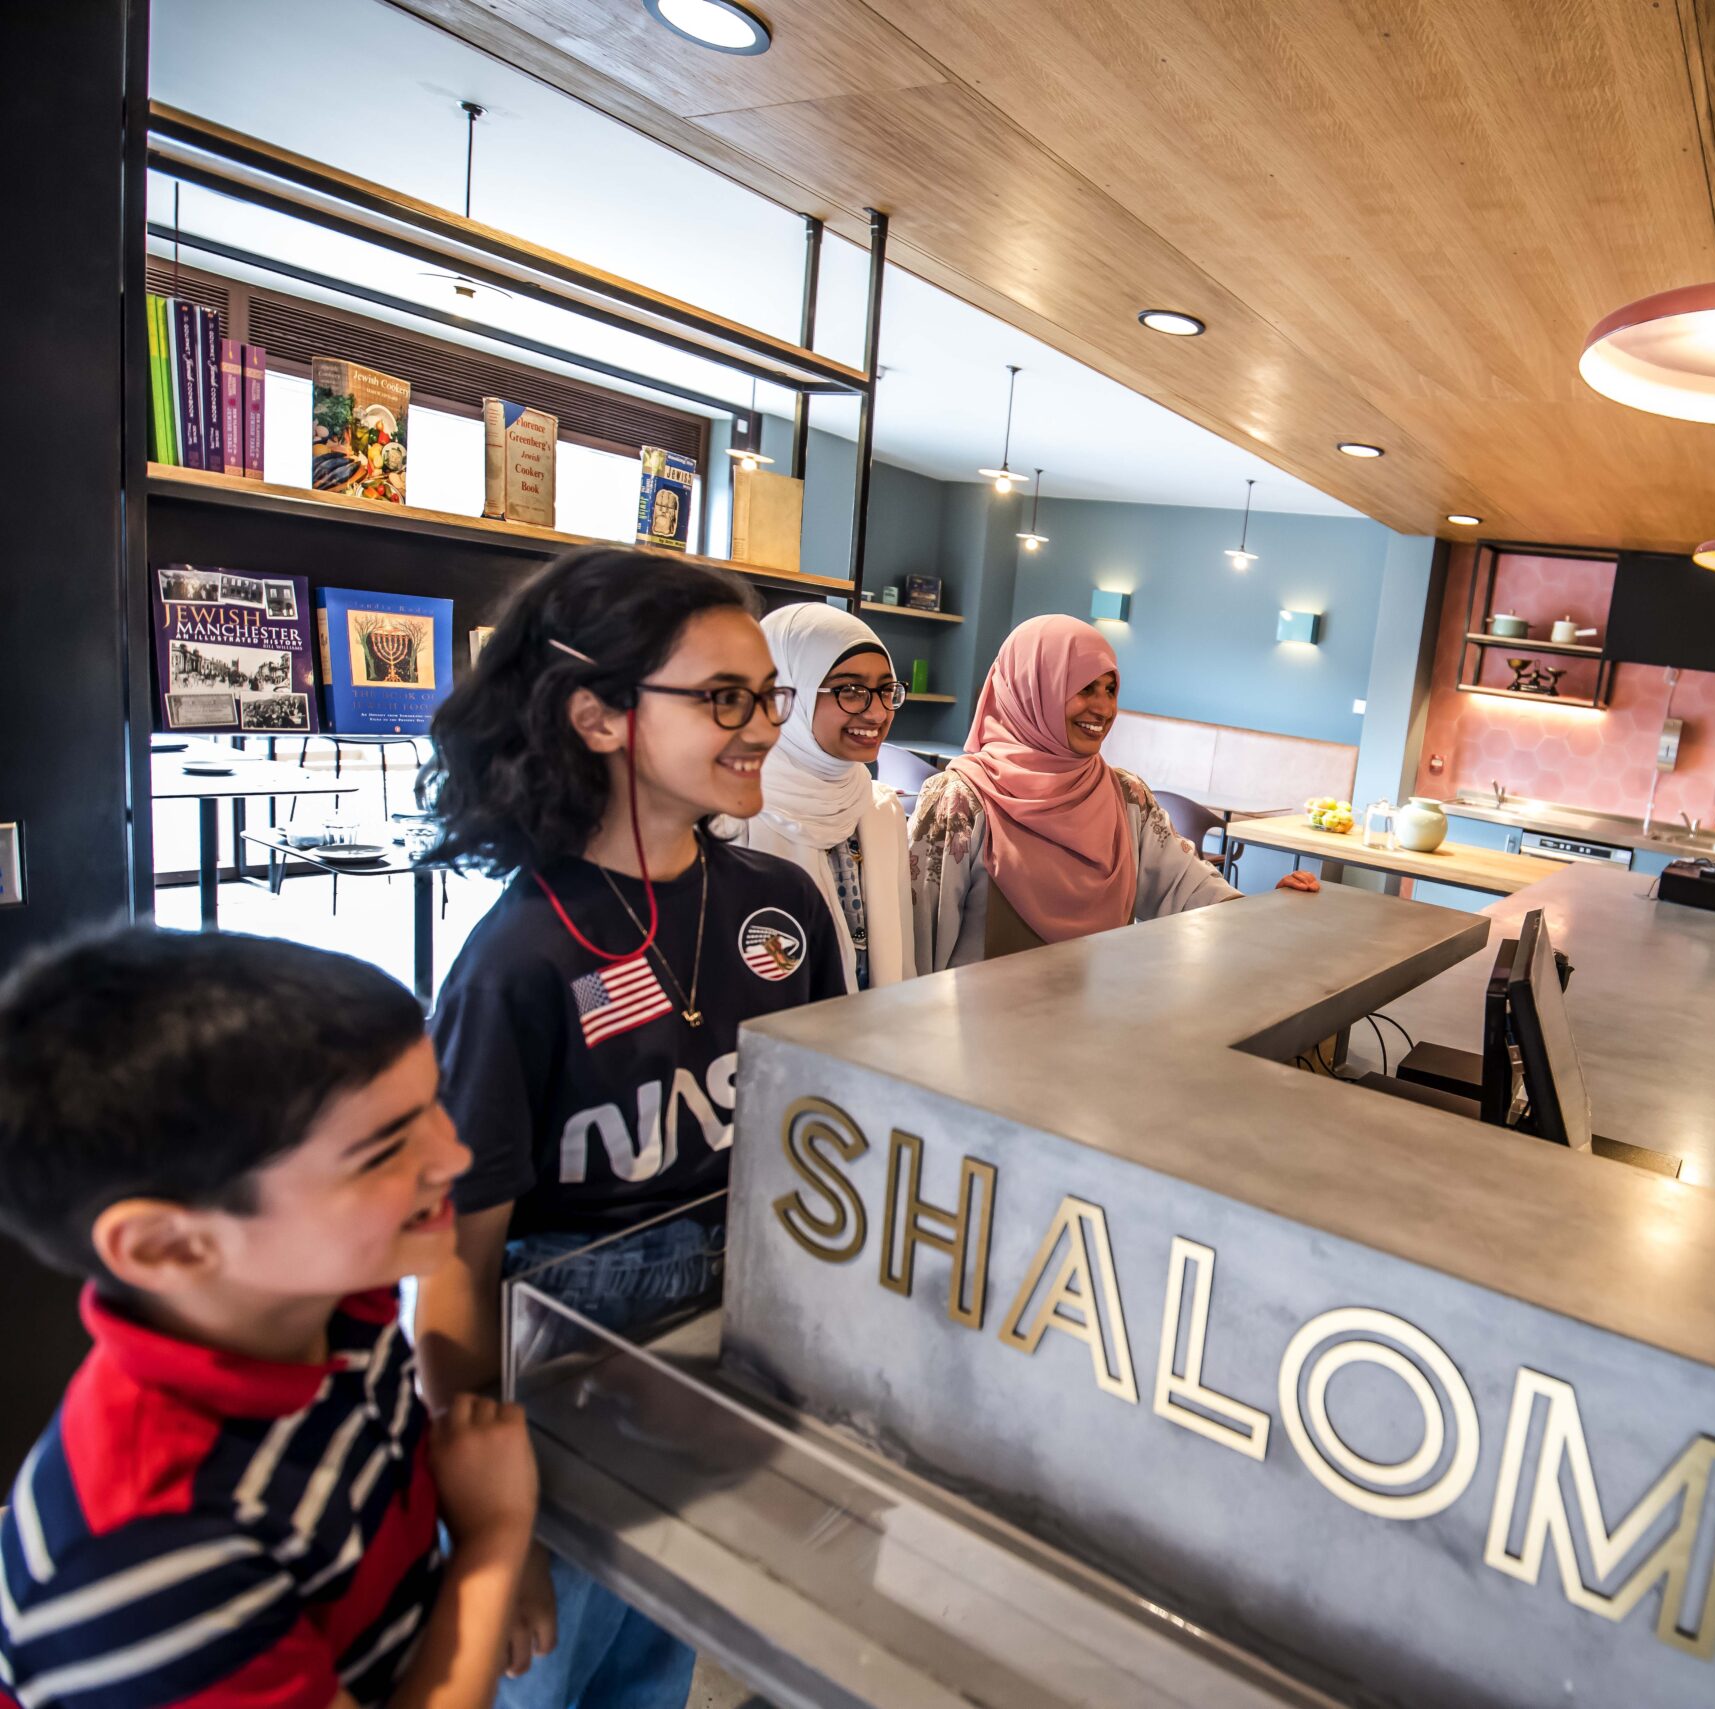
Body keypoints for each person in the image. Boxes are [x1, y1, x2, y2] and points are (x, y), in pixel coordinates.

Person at [413, 548, 846, 1709]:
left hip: (719, 1363)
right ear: (599, 716)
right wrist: (492, 1533)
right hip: (552, 1394)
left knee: (651, 1671)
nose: (762, 725)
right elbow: (455, 1269)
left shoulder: (781, 905)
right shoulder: (518, 960)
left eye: (767, 694)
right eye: (723, 697)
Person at [0, 928, 538, 1709]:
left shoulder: (342, 1300)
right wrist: (491, 1545)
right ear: (169, 1244)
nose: (452, 1155)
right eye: (384, 1150)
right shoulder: (144, 1558)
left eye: (434, 1104)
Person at [908, 614, 1318, 971]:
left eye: (1110, 689)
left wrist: (1266, 912)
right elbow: (917, 940)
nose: (1103, 708)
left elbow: (1187, 888)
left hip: (1098, 1033)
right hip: (972, 1043)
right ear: (1033, 688)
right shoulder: (960, 802)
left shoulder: (1126, 797)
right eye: (1085, 688)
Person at [727, 601, 915, 990]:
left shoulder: (880, 807)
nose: (877, 713)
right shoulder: (734, 814)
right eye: (851, 690)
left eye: (885, 690)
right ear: (783, 693)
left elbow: (901, 959)